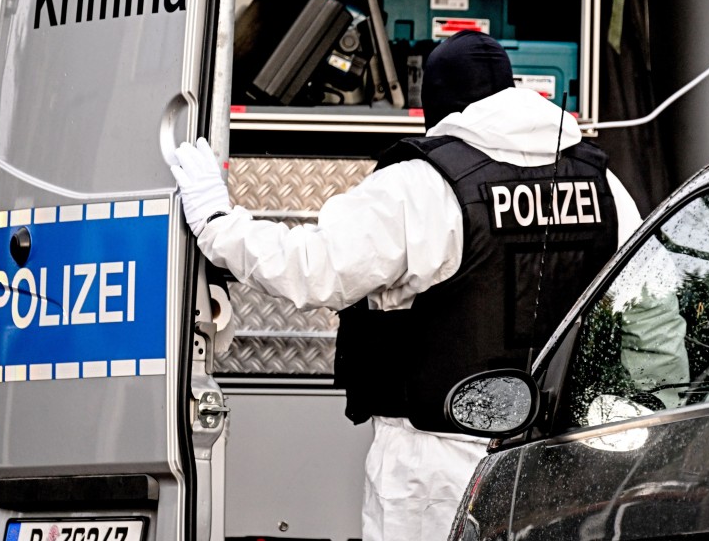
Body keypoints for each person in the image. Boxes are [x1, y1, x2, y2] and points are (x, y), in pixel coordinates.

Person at [171, 30, 642, 541]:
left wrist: (218, 222)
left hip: (438, 473)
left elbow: (310, 267)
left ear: (435, 110)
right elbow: (648, 322)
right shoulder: (606, 187)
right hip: (566, 464)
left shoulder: (421, 187)